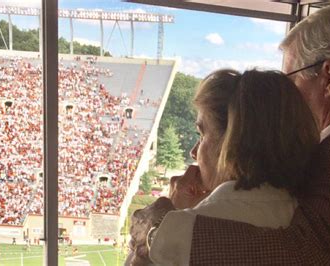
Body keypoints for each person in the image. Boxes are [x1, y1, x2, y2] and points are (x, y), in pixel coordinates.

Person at [129, 4, 330, 265]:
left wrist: (162, 233)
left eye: (289, 79)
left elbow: (312, 256)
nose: (284, 97)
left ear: (329, 78)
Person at [128, 69, 319, 265]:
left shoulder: (182, 233)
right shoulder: (306, 220)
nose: (193, 152)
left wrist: (171, 215)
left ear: (232, 142)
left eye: (202, 135)